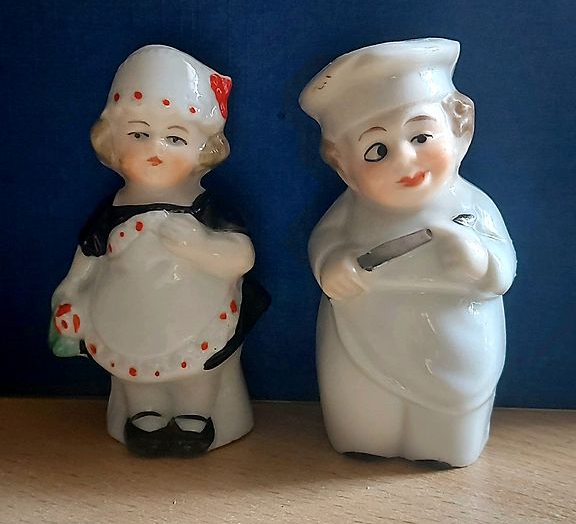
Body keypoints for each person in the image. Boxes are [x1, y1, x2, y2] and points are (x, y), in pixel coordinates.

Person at [300, 38, 516, 467]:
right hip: (362, 340)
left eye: (421, 136)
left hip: (455, 344)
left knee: (445, 429)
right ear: (343, 165)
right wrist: (332, 265)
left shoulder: (471, 205)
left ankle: (444, 445)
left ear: (459, 129)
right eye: (377, 151)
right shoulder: (350, 211)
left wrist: (477, 260)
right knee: (363, 414)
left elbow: (502, 269)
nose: (405, 159)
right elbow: (324, 242)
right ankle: (366, 437)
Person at [50, 45, 269, 457]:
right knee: (134, 371)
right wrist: (71, 292)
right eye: (139, 134)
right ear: (112, 141)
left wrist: (202, 245)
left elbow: (242, 256)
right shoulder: (113, 210)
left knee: (199, 371)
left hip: (196, 311)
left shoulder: (205, 207)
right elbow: (88, 256)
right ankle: (144, 417)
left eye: (175, 137)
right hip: (128, 313)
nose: (157, 148)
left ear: (203, 149)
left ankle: (194, 417)